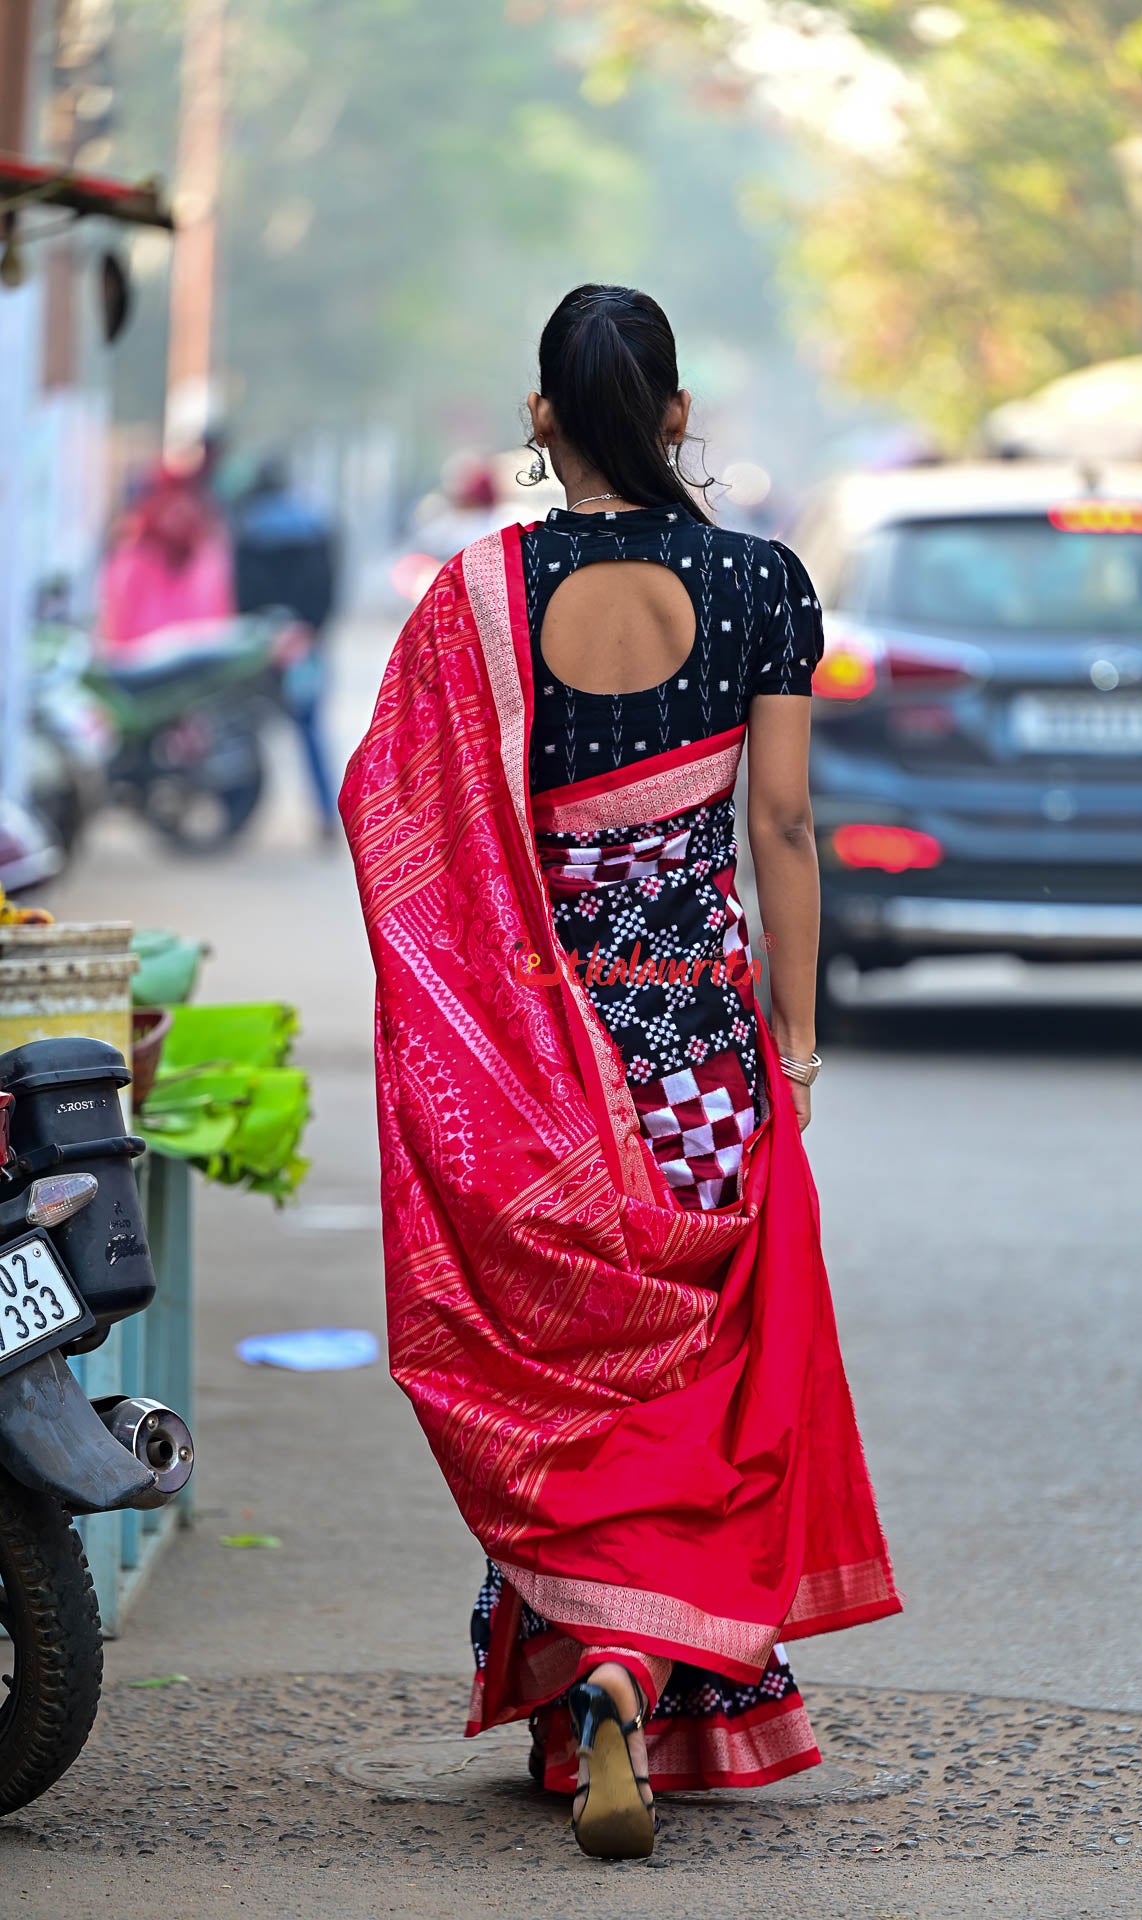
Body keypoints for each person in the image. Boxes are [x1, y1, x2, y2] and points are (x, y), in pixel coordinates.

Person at [341, 285, 900, 1862]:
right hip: (697, 1053)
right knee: (702, 1374)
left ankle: (592, 1658)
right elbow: (779, 830)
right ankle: (646, 1667)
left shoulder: (475, 596)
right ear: (671, 415)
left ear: (539, 419)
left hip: (527, 1056)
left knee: (567, 1369)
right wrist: (793, 1043)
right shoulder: (760, 583)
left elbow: (413, 829)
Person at [232, 457, 340, 837]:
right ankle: (327, 811)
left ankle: (236, 815)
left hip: (258, 645)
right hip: (306, 643)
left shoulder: (246, 527)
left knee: (241, 727)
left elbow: (241, 591)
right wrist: (309, 628)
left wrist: (264, 630)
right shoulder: (315, 524)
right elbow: (329, 584)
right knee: (309, 728)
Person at [98, 460, 235, 657]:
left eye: (183, 500)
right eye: (169, 500)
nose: (177, 510)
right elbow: (118, 630)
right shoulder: (132, 559)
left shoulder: (206, 557)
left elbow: (219, 621)